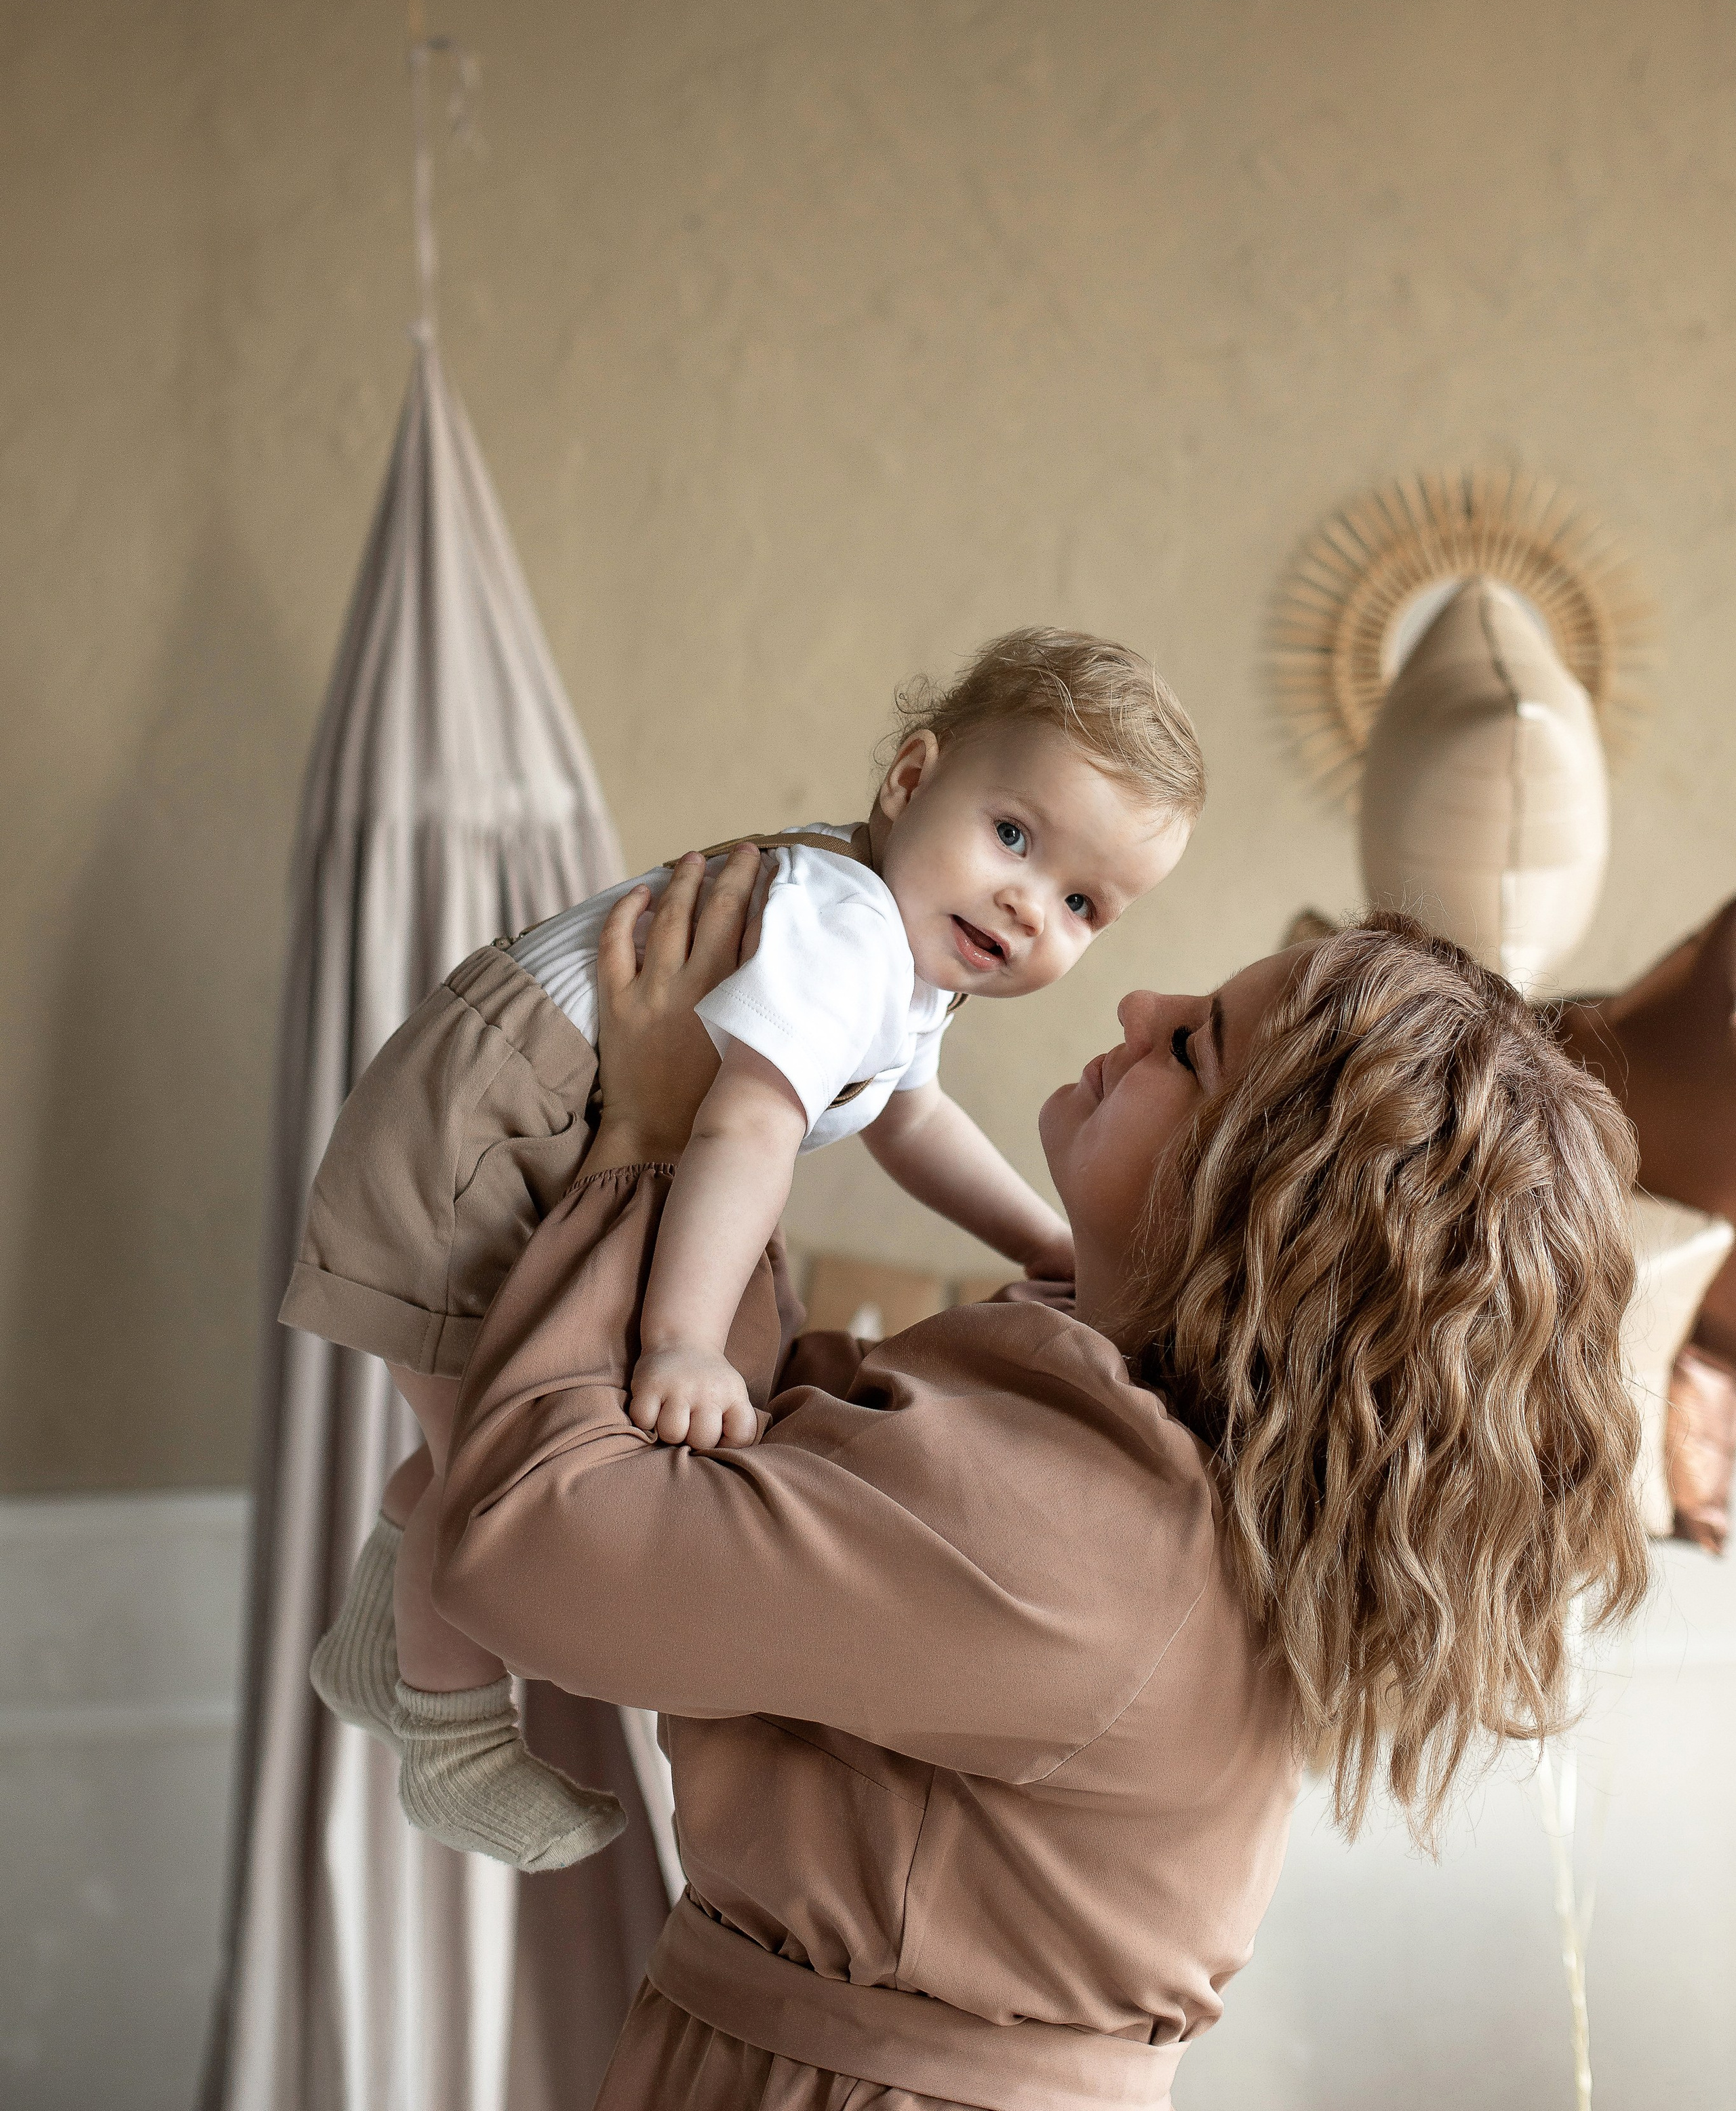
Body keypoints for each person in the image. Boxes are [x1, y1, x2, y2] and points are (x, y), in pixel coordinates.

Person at [433, 850, 1649, 2111]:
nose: (1137, 1009)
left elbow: (523, 1545)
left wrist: (652, 1132)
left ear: (1256, 1209)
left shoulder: (1082, 1530)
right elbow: (756, 1440)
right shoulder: (1102, 1414)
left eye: (1194, 1049)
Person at [281, 627, 1202, 1871]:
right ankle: (449, 1742)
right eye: (1016, 838)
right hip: (479, 1144)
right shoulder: (844, 929)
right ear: (910, 778)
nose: (1027, 905)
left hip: (512, 1123)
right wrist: (681, 1341)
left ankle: (374, 1644)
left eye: (1082, 903)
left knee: (471, 1438)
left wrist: (1042, 1237)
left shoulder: (902, 946)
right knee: (495, 1480)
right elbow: (748, 1126)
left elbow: (908, 1116)